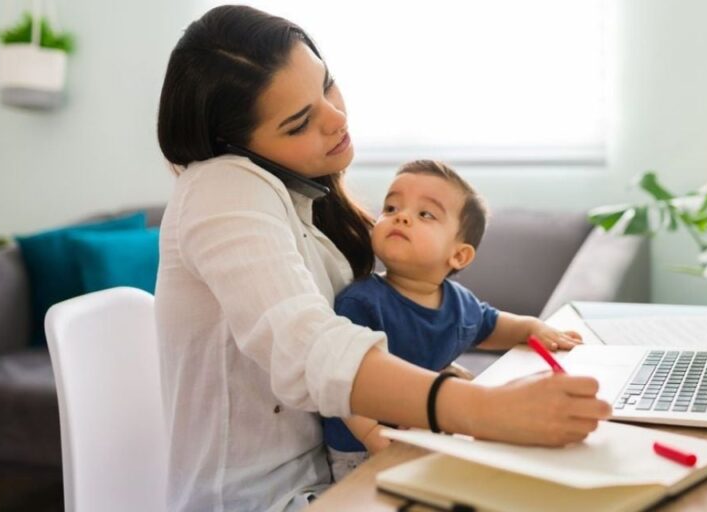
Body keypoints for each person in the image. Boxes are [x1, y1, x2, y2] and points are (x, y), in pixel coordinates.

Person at [155, 5, 612, 511]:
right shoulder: (221, 186)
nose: (337, 118)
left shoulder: (307, 205)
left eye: (327, 85)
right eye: (301, 122)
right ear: (236, 147)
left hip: (346, 476)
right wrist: (480, 409)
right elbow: (307, 348)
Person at [322, 160, 586, 480]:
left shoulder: (459, 303)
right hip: (361, 445)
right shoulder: (361, 302)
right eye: (391, 207)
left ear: (459, 255)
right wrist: (369, 432)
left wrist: (532, 327)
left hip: (431, 428)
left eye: (425, 214)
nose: (401, 216)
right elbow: (343, 379)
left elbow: (492, 326)